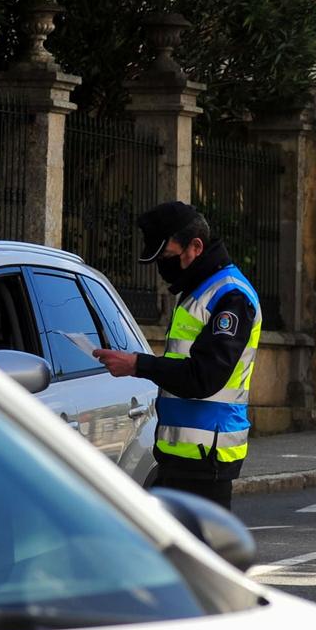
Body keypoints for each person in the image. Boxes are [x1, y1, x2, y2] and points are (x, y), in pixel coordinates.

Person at [94, 201, 260, 509]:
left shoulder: (230, 296)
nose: (163, 267)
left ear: (196, 246)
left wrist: (137, 364)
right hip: (179, 456)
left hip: (207, 455)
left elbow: (203, 377)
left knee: (197, 555)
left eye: (168, 256)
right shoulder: (199, 291)